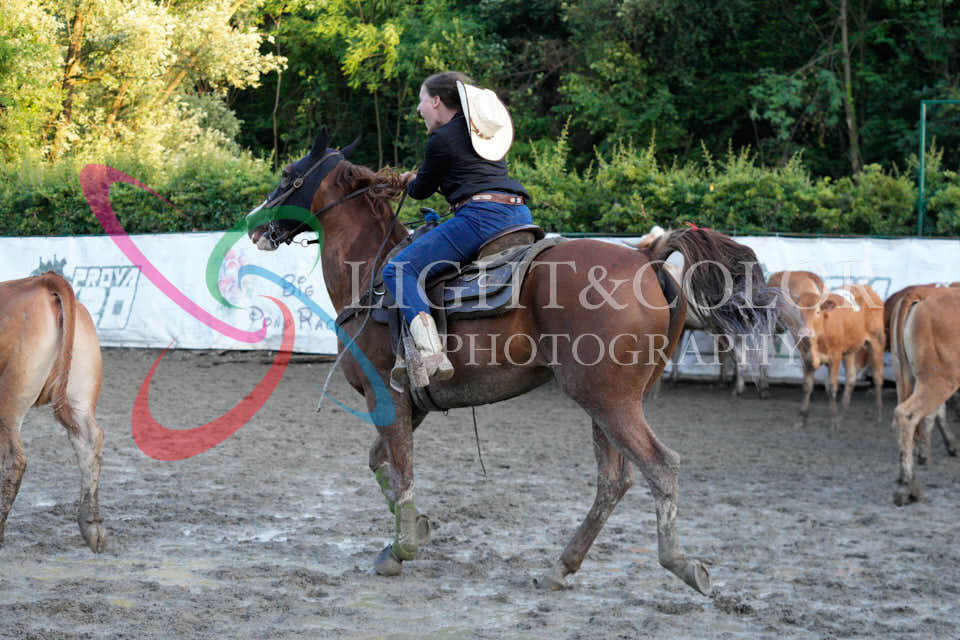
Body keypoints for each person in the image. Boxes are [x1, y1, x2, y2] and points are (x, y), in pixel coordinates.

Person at [382, 71, 533, 389]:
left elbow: (421, 190)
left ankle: (431, 353)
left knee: (397, 270)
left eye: (422, 100)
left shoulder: (442, 138)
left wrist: (409, 180)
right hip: (519, 213)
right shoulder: (481, 133)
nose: (419, 109)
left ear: (437, 101)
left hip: (481, 218)